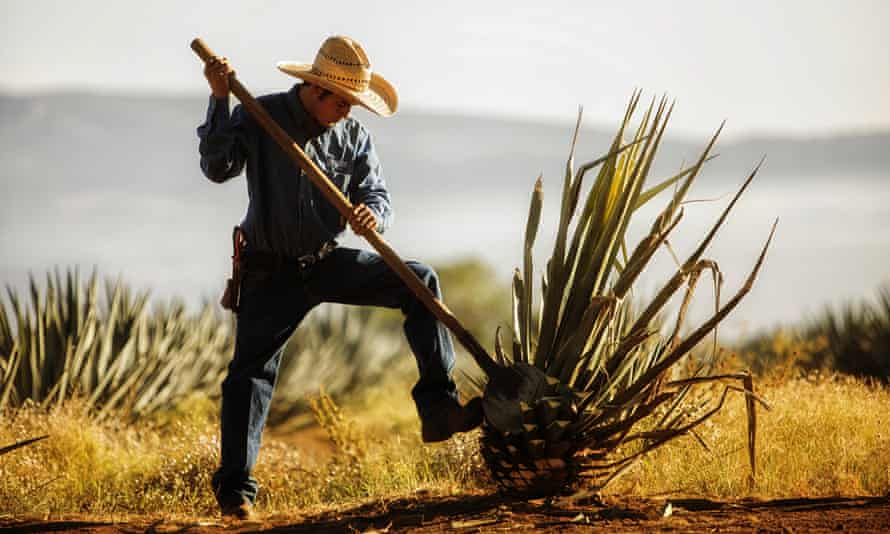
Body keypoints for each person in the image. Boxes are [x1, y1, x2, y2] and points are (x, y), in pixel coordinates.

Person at [196, 35, 482, 519]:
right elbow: (217, 167)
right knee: (250, 377)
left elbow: (378, 193)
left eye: (354, 105)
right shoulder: (259, 114)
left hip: (325, 262)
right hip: (270, 271)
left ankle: (439, 408)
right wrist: (220, 97)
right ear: (317, 90)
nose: (349, 113)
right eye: (344, 104)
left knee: (420, 281)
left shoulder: (354, 138)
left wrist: (372, 213)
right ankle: (235, 495)